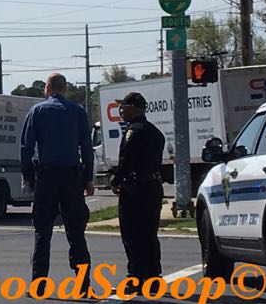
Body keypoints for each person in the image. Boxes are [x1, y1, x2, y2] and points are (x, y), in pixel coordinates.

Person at [20, 73, 95, 292]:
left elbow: (26, 148)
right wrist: (88, 177)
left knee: (43, 231)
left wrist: (28, 176)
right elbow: (87, 148)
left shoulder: (38, 111)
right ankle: (83, 283)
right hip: (72, 177)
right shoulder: (78, 111)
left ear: (47, 88)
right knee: (76, 231)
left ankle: (39, 284)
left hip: (47, 176)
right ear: (64, 88)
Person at [111, 92, 165, 287]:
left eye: (123, 107)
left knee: (132, 234)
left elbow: (127, 161)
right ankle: (153, 277)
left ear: (133, 107)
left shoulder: (134, 131)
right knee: (150, 233)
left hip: (135, 189)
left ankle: (135, 277)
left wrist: (116, 180)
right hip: (153, 187)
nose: (121, 111)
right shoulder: (155, 132)